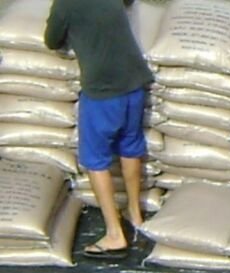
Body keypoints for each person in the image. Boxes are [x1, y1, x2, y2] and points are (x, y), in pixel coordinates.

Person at [45, 0, 153, 258]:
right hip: (134, 84)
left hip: (102, 91)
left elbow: (52, 41)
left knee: (95, 160)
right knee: (131, 146)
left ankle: (115, 234)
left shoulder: (65, 5)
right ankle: (136, 217)